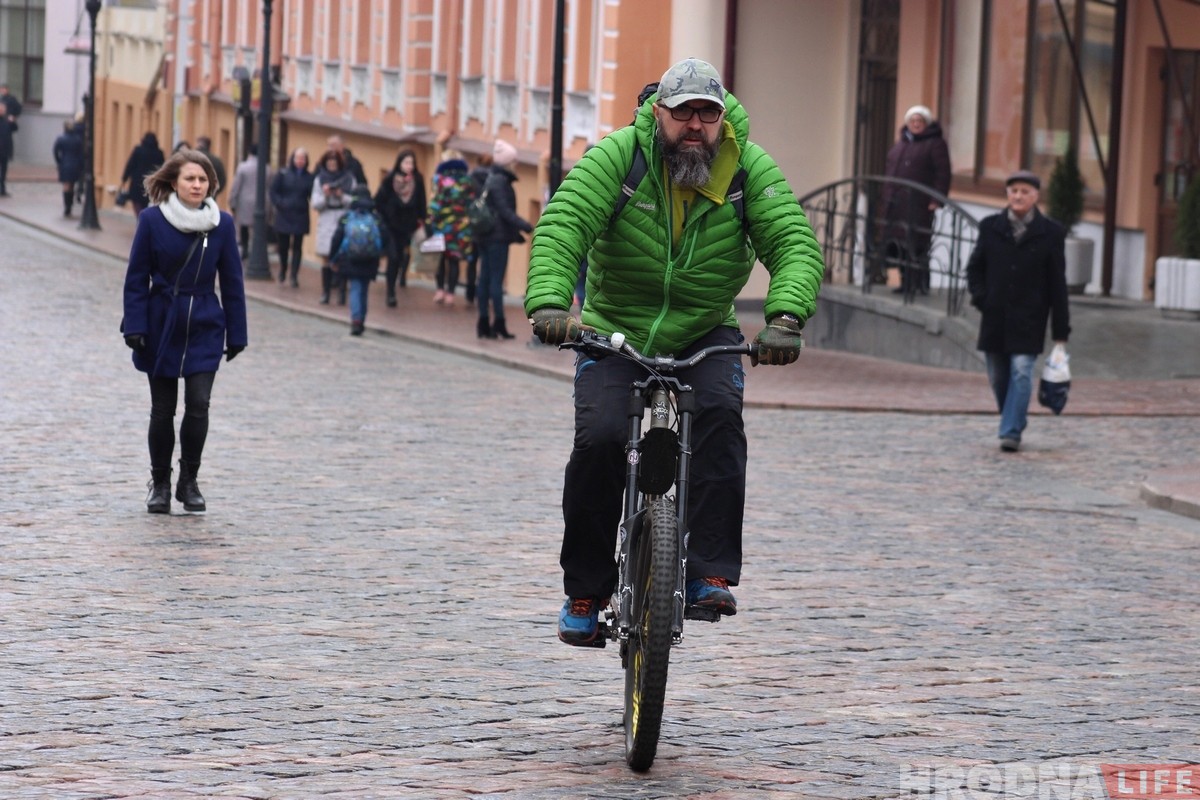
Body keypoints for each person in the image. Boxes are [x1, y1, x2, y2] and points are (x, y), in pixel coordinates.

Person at [525, 57, 824, 645]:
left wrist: (785, 316)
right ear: (658, 112)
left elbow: (792, 241)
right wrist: (553, 305)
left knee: (719, 419)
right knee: (602, 439)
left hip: (705, 329)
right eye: (682, 111)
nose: (694, 125)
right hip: (615, 330)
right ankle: (586, 590)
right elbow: (564, 226)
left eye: (706, 114)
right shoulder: (620, 157)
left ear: (721, 119)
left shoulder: (747, 169)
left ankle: (710, 570)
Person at [120, 149, 248, 514]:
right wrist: (135, 324)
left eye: (203, 179)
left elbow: (233, 282)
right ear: (174, 182)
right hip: (161, 322)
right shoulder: (152, 220)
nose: (196, 184)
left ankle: (188, 480)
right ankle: (159, 483)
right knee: (163, 410)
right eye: (190, 178)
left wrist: (237, 333)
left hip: (206, 324)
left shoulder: (221, 224)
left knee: (198, 404)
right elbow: (135, 278)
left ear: (211, 185)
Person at [967, 170, 1070, 453]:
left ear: (1036, 197)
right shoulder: (990, 227)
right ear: (1007, 195)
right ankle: (1014, 417)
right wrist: (981, 298)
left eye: (1025, 191)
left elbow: (1058, 284)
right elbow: (975, 267)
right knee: (999, 377)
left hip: (1029, 318)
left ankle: (1011, 431)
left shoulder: (1051, 233)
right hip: (995, 316)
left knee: (1022, 372)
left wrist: (1061, 332)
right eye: (1014, 191)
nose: (1018, 196)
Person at [878, 105, 951, 294]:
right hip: (896, 205)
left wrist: (936, 199)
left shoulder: (935, 144)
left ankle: (919, 284)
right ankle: (905, 282)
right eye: (912, 121)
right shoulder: (902, 143)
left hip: (919, 205)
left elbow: (943, 173)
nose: (916, 124)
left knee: (917, 243)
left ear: (926, 124)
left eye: (920, 121)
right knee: (898, 243)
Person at [476, 139, 533, 339]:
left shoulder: (491, 177)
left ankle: (483, 323)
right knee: (494, 281)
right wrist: (526, 226)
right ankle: (497, 323)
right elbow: (505, 211)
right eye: (514, 161)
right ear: (507, 162)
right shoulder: (500, 181)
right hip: (496, 238)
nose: (516, 165)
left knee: (484, 279)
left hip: (486, 235)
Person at [330, 186, 389, 336]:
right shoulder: (376, 218)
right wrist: (384, 253)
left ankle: (356, 319)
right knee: (364, 289)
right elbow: (385, 236)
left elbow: (337, 239)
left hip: (351, 257)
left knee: (355, 288)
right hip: (370, 258)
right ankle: (361, 319)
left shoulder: (347, 217)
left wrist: (333, 258)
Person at [373, 148, 426, 305]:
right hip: (391, 224)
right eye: (406, 162)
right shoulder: (390, 179)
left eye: (411, 162)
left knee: (402, 256)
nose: (409, 165)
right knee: (393, 257)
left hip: (408, 225)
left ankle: (399, 279)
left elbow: (421, 201)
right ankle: (390, 292)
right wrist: (383, 216)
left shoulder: (418, 180)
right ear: (399, 163)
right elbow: (378, 200)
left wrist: (423, 219)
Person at [427, 149, 475, 308]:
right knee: (454, 260)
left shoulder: (440, 179)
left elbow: (436, 202)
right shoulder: (467, 180)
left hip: (442, 226)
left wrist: (430, 219)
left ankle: (440, 290)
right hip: (460, 227)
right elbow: (471, 202)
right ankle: (451, 293)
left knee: (440, 259)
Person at [311, 148, 356, 305]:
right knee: (326, 256)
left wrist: (341, 195)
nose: (332, 165)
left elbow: (354, 201)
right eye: (329, 163)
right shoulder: (319, 179)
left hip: (343, 218)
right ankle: (326, 292)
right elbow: (315, 203)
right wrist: (326, 195)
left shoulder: (349, 178)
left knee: (343, 255)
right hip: (326, 217)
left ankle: (342, 293)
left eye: (334, 163)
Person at [269, 147, 314, 287]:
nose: (300, 161)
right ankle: (283, 269)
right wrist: (279, 203)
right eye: (298, 158)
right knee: (283, 245)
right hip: (284, 213)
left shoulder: (309, 177)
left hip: (300, 214)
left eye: (303, 159)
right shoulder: (283, 174)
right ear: (293, 159)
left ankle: (294, 274)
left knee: (297, 246)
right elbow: (273, 191)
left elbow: (312, 194)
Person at [227, 145, 262, 258]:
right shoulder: (266, 168)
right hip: (261, 202)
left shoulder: (243, 167)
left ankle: (245, 249)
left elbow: (236, 186)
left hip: (244, 201)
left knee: (243, 227)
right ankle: (255, 251)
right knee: (257, 228)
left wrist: (232, 201)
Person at [120, 133, 166, 215]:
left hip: (137, 182)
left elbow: (130, 165)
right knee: (147, 202)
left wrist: (124, 178)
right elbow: (162, 169)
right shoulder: (159, 153)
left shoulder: (138, 150)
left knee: (137, 202)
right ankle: (144, 219)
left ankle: (141, 219)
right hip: (152, 182)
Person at [52, 119, 85, 216]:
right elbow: (81, 153)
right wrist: (80, 164)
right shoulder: (78, 139)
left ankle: (67, 206)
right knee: (72, 184)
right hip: (75, 164)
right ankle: (70, 205)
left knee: (66, 185)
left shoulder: (61, 138)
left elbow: (55, 151)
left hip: (64, 163)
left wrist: (59, 161)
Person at [195, 136, 227, 201]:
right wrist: (214, 192)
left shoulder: (188, 159)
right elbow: (222, 180)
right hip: (210, 197)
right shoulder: (216, 161)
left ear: (198, 144)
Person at [0, 101, 19, 197]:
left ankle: (2, 190)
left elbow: (15, 128)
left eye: (3, 109)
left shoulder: (7, 120)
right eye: (1, 109)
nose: (3, 111)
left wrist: (13, 121)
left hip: (5, 150)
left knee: (3, 171)